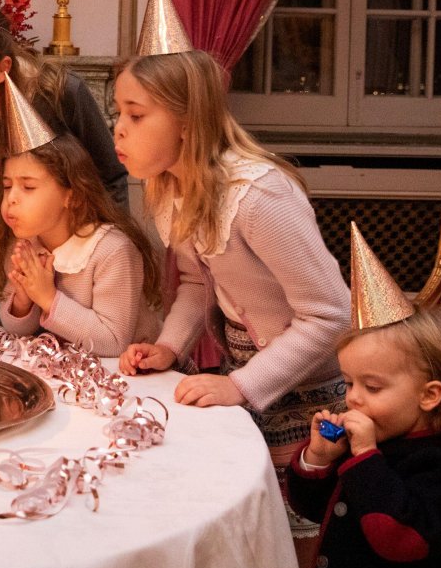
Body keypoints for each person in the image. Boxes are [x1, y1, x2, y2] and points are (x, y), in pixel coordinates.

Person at [115, 47, 350, 484]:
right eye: (118, 113)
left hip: (307, 395)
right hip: (243, 374)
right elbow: (195, 282)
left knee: (294, 522)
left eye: (136, 115)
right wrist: (170, 347)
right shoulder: (172, 188)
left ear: (186, 122)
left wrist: (243, 387)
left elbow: (331, 313)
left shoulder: (259, 197)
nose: (119, 130)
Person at [287, 226, 441, 568]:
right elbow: (313, 509)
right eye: (348, 383)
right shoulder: (365, 450)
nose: (354, 398)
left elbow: (397, 540)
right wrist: (319, 458)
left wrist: (364, 457)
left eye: (372, 386)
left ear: (429, 395)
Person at [0, 0, 129, 320]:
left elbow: (110, 178)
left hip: (79, 266)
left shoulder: (62, 93)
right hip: (1, 268)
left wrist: (105, 261)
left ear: (1, 68)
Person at [0, 132, 160, 356]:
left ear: (73, 196)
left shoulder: (111, 250)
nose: (11, 198)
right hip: (69, 375)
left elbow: (114, 342)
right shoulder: (24, 244)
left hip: (133, 378)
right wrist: (23, 302)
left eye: (28, 187)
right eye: (7, 186)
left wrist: (48, 298)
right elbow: (16, 330)